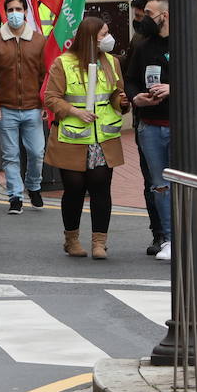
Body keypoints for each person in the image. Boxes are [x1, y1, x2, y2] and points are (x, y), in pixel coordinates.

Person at [43, 16, 128, 259]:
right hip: (72, 137)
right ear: (91, 37)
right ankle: (71, 240)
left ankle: (99, 242)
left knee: (101, 187)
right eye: (103, 34)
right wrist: (74, 111)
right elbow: (51, 97)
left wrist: (120, 101)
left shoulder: (112, 62)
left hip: (103, 137)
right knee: (74, 189)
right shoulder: (64, 63)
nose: (108, 38)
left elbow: (116, 93)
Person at [0, 0, 48, 214]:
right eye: (10, 10)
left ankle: (34, 185)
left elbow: (44, 75)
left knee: (37, 152)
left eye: (18, 9)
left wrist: (45, 104)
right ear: (5, 13)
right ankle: (15, 196)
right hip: (6, 108)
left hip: (33, 107)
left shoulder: (39, 41)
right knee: (10, 155)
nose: (14, 14)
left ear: (26, 12)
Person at [125, 0, 172, 260]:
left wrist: (172, 88)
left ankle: (186, 234)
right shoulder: (142, 46)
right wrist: (136, 98)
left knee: (184, 183)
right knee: (159, 185)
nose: (142, 19)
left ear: (163, 16)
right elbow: (130, 80)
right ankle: (166, 237)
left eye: (149, 15)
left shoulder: (189, 41)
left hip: (180, 125)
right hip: (150, 126)